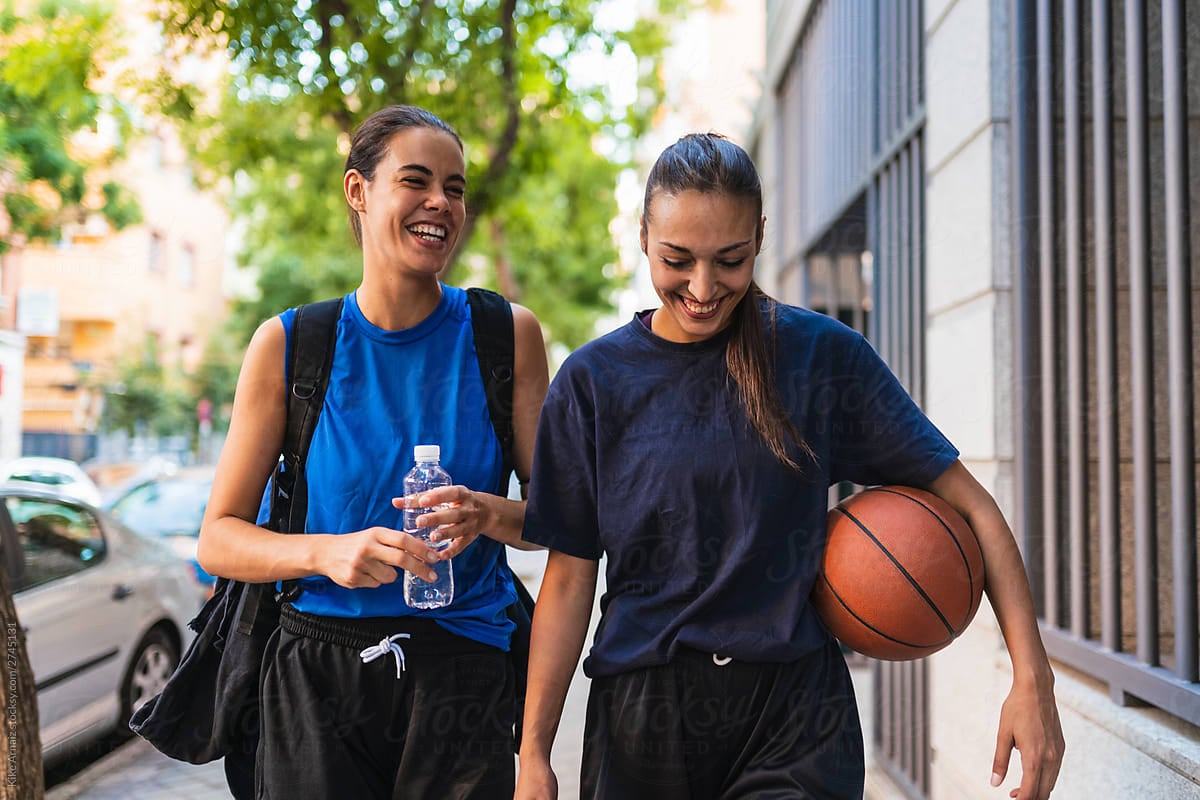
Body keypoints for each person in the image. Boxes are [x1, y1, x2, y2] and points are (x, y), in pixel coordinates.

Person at [514, 133, 1064, 800]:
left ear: (761, 236)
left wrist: (1032, 681)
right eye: (677, 259)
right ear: (643, 236)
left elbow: (973, 506)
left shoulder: (820, 357)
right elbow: (569, 579)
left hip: (795, 714)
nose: (703, 286)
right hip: (644, 713)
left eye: (730, 259)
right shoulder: (593, 382)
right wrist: (534, 754)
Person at [197, 104, 549, 799]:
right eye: (415, 181)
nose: (440, 204)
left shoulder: (507, 337)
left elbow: (563, 521)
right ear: (358, 192)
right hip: (315, 682)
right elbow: (218, 538)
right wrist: (326, 551)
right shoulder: (292, 345)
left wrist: (485, 514)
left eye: (455, 187)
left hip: (465, 674)